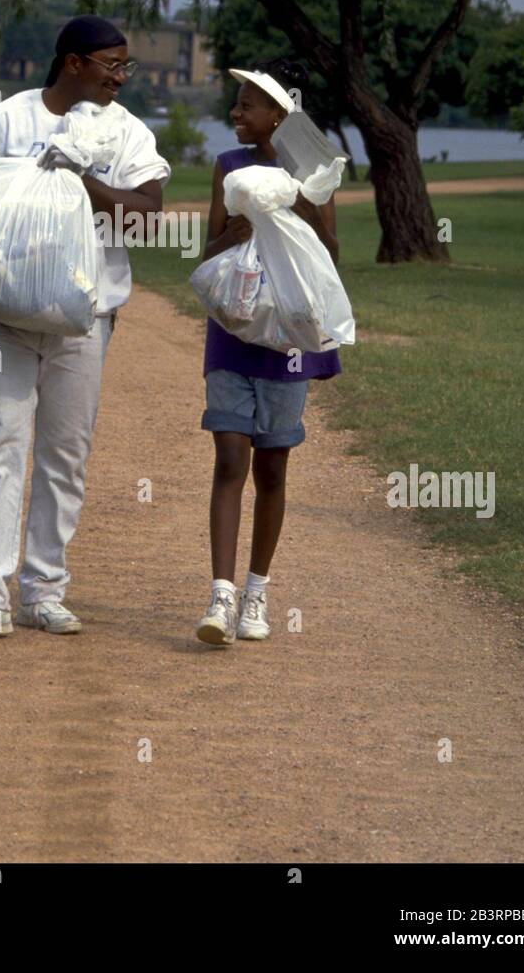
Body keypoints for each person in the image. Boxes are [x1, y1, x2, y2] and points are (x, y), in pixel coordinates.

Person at [0, 15, 170, 639]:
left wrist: (82, 180)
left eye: (127, 67)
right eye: (112, 65)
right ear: (73, 62)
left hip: (85, 319)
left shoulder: (125, 132)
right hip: (6, 314)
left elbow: (149, 219)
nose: (121, 78)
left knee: (65, 453)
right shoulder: (7, 119)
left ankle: (44, 588)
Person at [195, 57, 342, 647]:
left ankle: (258, 591)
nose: (236, 112)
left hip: (285, 338)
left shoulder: (312, 170)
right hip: (233, 328)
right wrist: (235, 228)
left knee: (273, 466)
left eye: (248, 104)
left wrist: (295, 196)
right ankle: (220, 596)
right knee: (230, 456)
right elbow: (208, 249)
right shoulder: (228, 166)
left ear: (280, 116)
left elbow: (330, 252)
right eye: (237, 102)